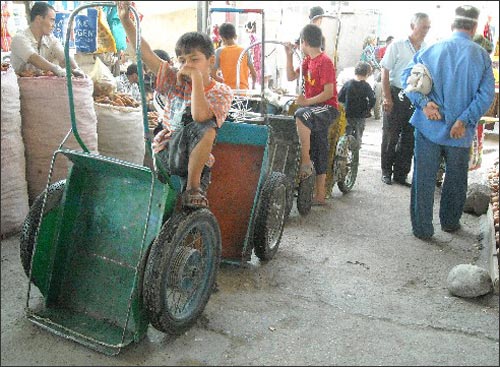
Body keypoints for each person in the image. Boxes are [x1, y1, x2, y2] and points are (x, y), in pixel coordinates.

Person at [117, 1, 233, 209]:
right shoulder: (173, 79)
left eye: (194, 59)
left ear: (210, 60)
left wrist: (197, 80)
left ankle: (193, 189)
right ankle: (193, 188)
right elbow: (145, 52)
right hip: (167, 151)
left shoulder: (221, 91)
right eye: (182, 60)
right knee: (205, 130)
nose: (186, 65)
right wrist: (126, 20)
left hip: (196, 161)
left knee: (206, 128)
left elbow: (200, 116)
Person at [401, 5, 494, 240]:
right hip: (458, 133)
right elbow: (486, 95)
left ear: (452, 26)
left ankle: (422, 229)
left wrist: (423, 103)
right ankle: (450, 223)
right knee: (455, 180)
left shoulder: (431, 48)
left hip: (428, 126)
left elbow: (407, 79)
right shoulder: (481, 56)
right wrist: (464, 120)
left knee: (423, 179)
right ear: (473, 27)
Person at [285, 24, 339, 206]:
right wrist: (288, 55)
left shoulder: (324, 62)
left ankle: (306, 163)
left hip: (327, 108)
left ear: (304, 42)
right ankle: (320, 195)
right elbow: (291, 76)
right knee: (320, 146)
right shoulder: (308, 60)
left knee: (301, 115)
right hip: (315, 109)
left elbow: (329, 92)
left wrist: (306, 102)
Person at [379, 12, 431, 186]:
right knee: (390, 135)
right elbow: (385, 71)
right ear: (412, 26)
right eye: (423, 27)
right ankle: (386, 171)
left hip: (415, 96)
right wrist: (387, 97)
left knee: (409, 137)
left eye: (428, 27)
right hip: (396, 93)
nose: (426, 30)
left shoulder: (426, 47)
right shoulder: (397, 45)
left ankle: (401, 174)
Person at [10, 1, 84, 77]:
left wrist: (77, 70)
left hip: (38, 84)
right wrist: (58, 70)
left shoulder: (50, 39)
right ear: (38, 19)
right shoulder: (19, 39)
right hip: (19, 86)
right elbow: (34, 58)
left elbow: (64, 57)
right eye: (52, 20)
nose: (54, 25)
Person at [338, 61, 376, 147]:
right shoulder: (366, 86)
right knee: (358, 136)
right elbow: (373, 99)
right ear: (367, 74)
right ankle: (355, 155)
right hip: (360, 115)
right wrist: (368, 109)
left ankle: (344, 152)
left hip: (348, 114)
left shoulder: (348, 84)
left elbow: (340, 97)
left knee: (346, 134)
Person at [211, 22, 257, 90]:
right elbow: (253, 74)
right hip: (243, 90)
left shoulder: (219, 52)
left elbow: (213, 74)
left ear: (222, 37)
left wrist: (222, 81)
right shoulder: (245, 50)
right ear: (235, 35)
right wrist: (253, 87)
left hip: (227, 92)